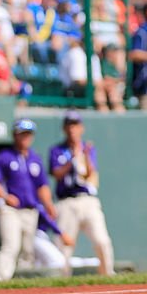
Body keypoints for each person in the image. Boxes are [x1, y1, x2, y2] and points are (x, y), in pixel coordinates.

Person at [0, 118, 58, 281]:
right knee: (11, 246)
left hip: (30, 211)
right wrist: (5, 196)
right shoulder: (4, 157)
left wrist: (48, 204)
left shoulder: (35, 158)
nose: (26, 138)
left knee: (27, 250)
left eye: (28, 134)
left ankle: (21, 288)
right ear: (15, 135)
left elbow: (42, 186)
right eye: (22, 134)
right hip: (10, 210)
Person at [49, 110, 115, 276]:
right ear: (64, 128)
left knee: (102, 240)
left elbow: (89, 175)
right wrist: (72, 158)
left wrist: (83, 156)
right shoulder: (57, 150)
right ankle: (61, 280)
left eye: (75, 125)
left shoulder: (87, 149)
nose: (72, 129)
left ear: (81, 128)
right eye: (69, 125)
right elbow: (56, 173)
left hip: (87, 200)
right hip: (66, 201)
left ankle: (108, 275)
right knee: (63, 246)